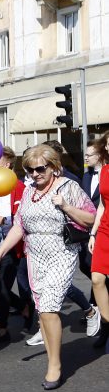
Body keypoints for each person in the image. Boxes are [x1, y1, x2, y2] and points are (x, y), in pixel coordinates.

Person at [0, 145, 95, 390]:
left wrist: (66, 207)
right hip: (35, 255)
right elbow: (19, 227)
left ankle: (55, 365)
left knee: (48, 308)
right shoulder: (29, 192)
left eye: (40, 168)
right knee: (42, 310)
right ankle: (52, 357)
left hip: (61, 251)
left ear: (53, 166)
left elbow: (91, 218)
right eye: (29, 169)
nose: (35, 173)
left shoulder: (68, 188)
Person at [0, 147, 31, 344]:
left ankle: (2, 329)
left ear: (7, 164)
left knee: (2, 286)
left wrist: (5, 221)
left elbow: (22, 218)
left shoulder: (18, 187)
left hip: (12, 245)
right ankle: (24, 307)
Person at [89, 130, 109, 351]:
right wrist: (93, 233)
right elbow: (102, 205)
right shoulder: (104, 171)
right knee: (96, 279)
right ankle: (107, 322)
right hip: (105, 230)